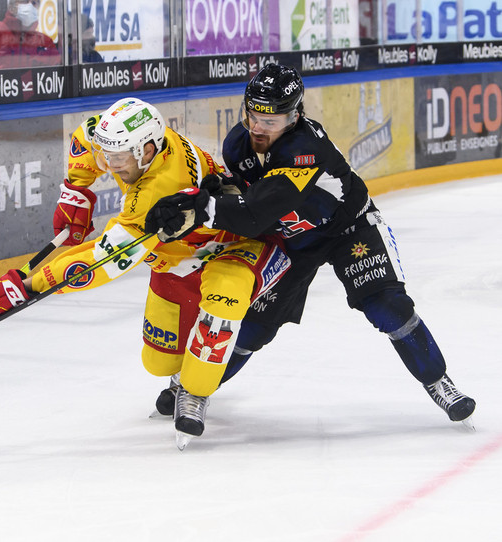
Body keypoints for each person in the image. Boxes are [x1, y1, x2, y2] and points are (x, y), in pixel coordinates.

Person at [145, 64, 476, 427]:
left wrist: (203, 209)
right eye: (253, 114)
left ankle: (439, 382)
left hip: (348, 228)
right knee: (253, 326)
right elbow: (243, 194)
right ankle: (192, 388)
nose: (258, 127)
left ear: (295, 116)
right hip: (290, 240)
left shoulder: (306, 149)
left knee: (387, 306)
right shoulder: (237, 145)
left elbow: (257, 210)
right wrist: (211, 191)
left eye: (271, 121)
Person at [0, 97, 289, 449]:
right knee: (157, 361)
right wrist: (77, 190)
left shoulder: (158, 190)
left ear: (147, 150)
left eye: (118, 158)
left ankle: (195, 393)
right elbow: (86, 137)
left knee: (220, 310)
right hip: (176, 257)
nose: (111, 164)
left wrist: (27, 287)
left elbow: (103, 260)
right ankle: (183, 374)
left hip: (235, 247)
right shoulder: (136, 142)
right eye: (108, 156)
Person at [0, 0, 61, 71]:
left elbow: (56, 77)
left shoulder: (44, 43)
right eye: (25, 1)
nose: (30, 6)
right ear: (12, 6)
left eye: (35, 3)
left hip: (32, 101)